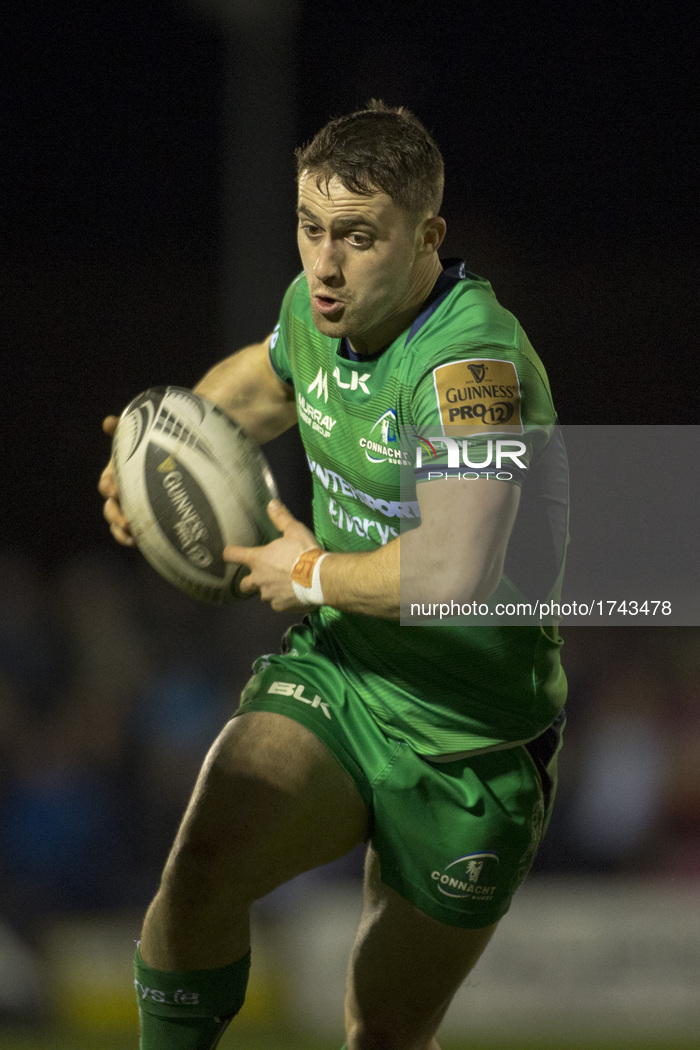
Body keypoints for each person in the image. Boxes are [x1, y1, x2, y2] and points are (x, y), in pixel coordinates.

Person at [99, 100, 567, 1050]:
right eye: (311, 228)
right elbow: (269, 385)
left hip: (474, 736)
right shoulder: (316, 308)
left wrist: (306, 569)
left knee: (384, 1034)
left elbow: (455, 569)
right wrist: (159, 448)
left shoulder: (471, 364)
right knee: (202, 867)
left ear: (428, 235)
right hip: (343, 676)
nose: (323, 262)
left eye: (358, 236)